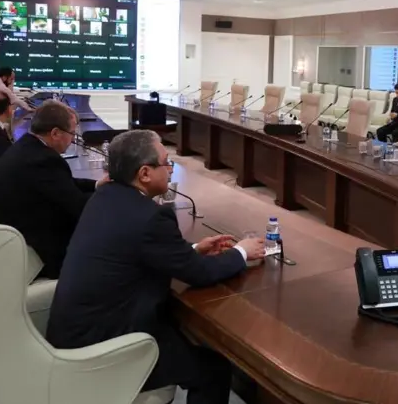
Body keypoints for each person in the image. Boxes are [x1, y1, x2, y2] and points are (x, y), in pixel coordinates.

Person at [47, 130, 266, 404]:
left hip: (74, 333)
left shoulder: (103, 197)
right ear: (145, 174)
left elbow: (135, 250)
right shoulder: (151, 218)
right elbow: (199, 274)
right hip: (105, 346)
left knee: (179, 333)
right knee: (213, 369)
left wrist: (192, 250)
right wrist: (241, 252)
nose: (171, 168)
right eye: (166, 162)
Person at [0, 100, 103, 278]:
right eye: (72, 133)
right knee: (104, 248)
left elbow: (63, 184)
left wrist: (97, 185)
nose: (73, 140)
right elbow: (78, 206)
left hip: (5, 239)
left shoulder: (28, 147)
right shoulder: (43, 160)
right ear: (55, 133)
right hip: (23, 253)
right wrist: (113, 196)